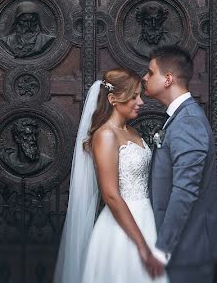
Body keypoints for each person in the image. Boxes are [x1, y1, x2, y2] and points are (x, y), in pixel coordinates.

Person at [54, 68, 167, 283]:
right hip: (122, 228)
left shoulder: (132, 132)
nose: (141, 102)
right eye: (134, 96)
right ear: (113, 99)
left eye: (140, 96)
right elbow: (111, 195)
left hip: (146, 217)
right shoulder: (105, 135)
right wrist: (141, 246)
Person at [142, 46, 217, 282]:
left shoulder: (188, 121)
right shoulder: (180, 117)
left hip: (188, 250)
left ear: (168, 79)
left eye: (150, 73)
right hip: (183, 249)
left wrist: (162, 248)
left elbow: (185, 190)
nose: (144, 78)